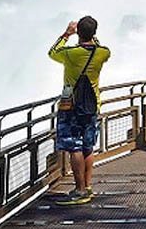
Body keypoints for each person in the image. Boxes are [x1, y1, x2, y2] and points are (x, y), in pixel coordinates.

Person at [48, 16, 111, 203]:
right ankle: (88, 185)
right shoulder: (103, 53)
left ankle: (80, 190)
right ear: (94, 32)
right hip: (93, 105)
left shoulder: (70, 53)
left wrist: (67, 34)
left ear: (78, 33)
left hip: (71, 107)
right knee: (88, 147)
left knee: (74, 147)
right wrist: (91, 36)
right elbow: (98, 46)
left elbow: (52, 52)